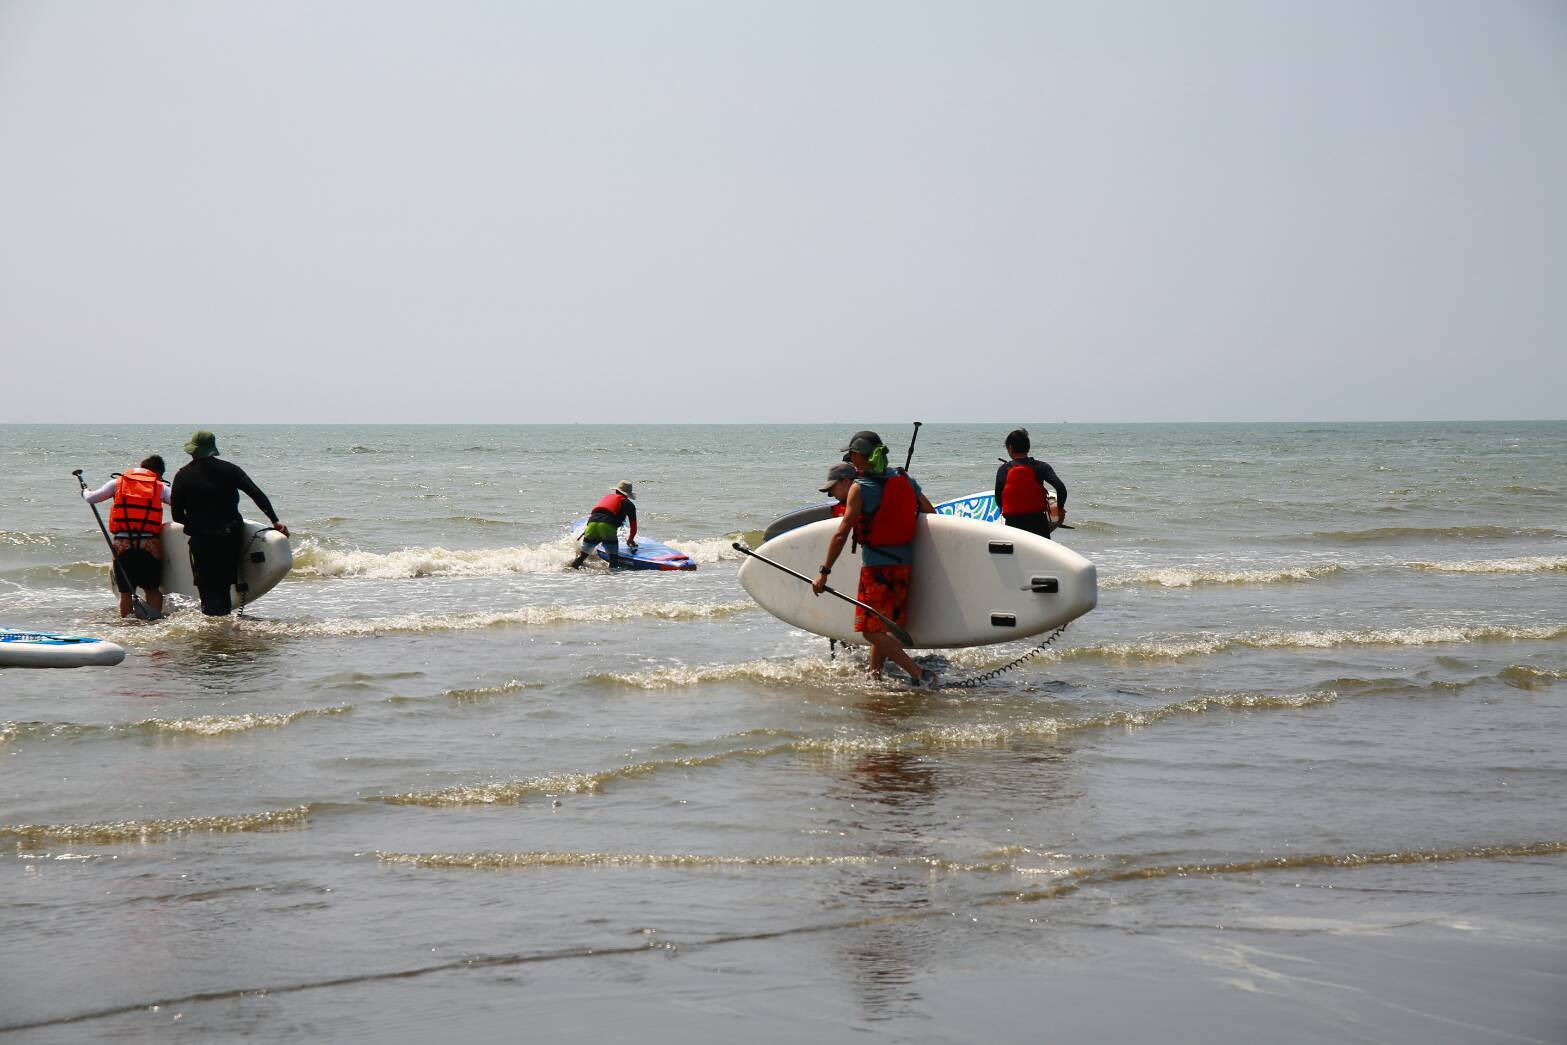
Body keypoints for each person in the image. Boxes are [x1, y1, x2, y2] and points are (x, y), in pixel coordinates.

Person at [812, 430, 939, 685]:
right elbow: (930, 513)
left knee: (869, 631)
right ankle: (874, 676)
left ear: (860, 456)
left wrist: (824, 572)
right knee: (880, 627)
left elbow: (842, 533)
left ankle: (919, 674)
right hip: (904, 566)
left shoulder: (860, 488)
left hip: (877, 569)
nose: (851, 460)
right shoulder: (904, 479)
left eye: (852, 455)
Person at [170, 430, 289, 616]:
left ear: (193, 451)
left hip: (202, 540)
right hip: (229, 538)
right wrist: (275, 520)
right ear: (212, 449)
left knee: (206, 587)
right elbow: (256, 494)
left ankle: (212, 625)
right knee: (224, 586)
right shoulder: (231, 470)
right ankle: (224, 622)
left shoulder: (182, 475)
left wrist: (197, 524)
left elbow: (177, 516)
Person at [82, 455, 171, 618]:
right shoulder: (160, 486)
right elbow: (180, 503)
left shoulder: (117, 483)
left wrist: (85, 491)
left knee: (125, 592)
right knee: (152, 589)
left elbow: (92, 498)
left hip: (123, 544)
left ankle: (128, 625)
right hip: (149, 544)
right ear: (158, 473)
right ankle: (154, 622)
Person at [994, 427, 1066, 538]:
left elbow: (999, 501)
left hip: (1013, 526)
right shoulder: (1041, 467)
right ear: (1028, 447)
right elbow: (1061, 489)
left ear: (1010, 448)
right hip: (1038, 525)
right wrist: (1059, 510)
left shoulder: (1003, 470)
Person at [571, 480, 638, 569]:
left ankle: (571, 571)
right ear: (628, 494)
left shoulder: (607, 498)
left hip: (591, 525)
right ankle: (611, 577)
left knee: (582, 556)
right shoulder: (628, 504)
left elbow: (597, 513)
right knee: (613, 560)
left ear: (616, 490)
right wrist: (630, 540)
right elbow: (633, 527)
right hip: (607, 527)